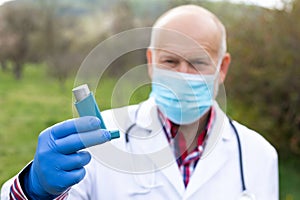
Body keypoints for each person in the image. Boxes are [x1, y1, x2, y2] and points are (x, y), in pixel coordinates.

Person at [1, 4, 278, 200]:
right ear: (150, 62)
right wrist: (33, 190)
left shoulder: (259, 155)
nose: (182, 75)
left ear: (222, 67)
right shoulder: (99, 137)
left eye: (197, 63)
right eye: (170, 61)